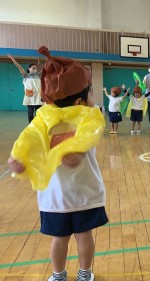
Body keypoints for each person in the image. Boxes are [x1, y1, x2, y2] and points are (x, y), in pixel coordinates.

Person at [7, 46, 108, 281]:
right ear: (81, 99)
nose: (93, 99)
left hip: (58, 195)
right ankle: (72, 274)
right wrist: (19, 158)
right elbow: (27, 141)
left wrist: (77, 151)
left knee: (65, 237)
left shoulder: (48, 117)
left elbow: (86, 137)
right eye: (91, 94)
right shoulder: (85, 114)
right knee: (80, 236)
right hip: (78, 193)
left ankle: (71, 274)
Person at [8, 54, 44, 123]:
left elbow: (45, 68)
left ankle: (38, 124)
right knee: (30, 113)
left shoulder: (38, 75)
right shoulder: (26, 75)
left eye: (36, 68)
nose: (35, 69)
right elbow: (20, 67)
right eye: (33, 68)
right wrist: (13, 60)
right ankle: (31, 124)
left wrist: (50, 60)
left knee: (39, 112)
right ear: (29, 69)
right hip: (30, 96)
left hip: (38, 96)